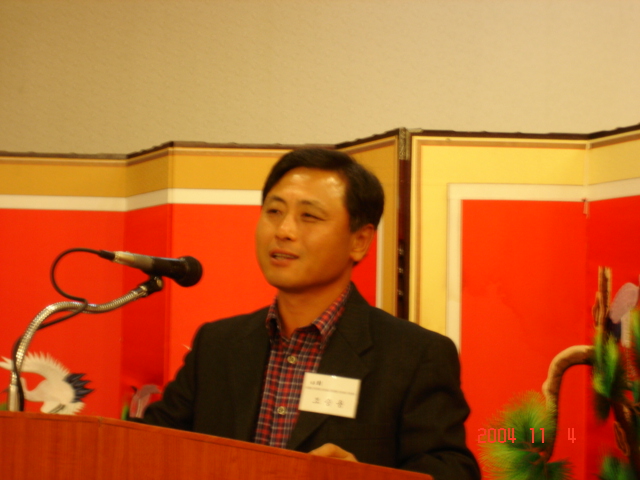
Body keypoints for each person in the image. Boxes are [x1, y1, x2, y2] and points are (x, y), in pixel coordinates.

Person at [141, 148, 480, 479]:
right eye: (274, 211)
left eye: (309, 216)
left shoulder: (414, 355)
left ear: (359, 241)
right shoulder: (217, 344)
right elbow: (147, 446)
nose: (283, 230)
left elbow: (452, 470)